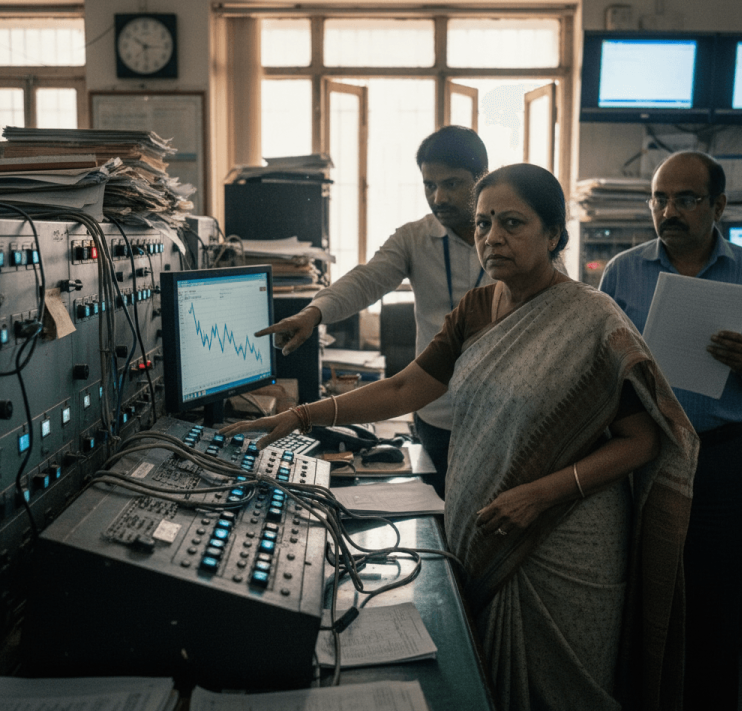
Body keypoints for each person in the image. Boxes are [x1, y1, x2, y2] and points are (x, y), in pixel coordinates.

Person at [224, 163, 698, 711]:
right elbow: (404, 388)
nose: (492, 237)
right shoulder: (476, 309)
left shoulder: (593, 320)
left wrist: (542, 493)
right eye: (482, 223)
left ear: (554, 235)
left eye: (512, 223)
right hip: (488, 526)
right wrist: (303, 417)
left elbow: (642, 441)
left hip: (566, 540)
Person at [599, 150, 742, 711]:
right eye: (660, 198)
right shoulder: (623, 271)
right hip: (641, 453)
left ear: (718, 206)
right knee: (640, 597)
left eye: (686, 199)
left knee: (715, 606)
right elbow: (594, 366)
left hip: (720, 459)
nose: (668, 210)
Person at [255, 125, 491, 498]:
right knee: (442, 527)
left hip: (498, 418)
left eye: (452, 184)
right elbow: (366, 280)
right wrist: (314, 313)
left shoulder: (510, 238)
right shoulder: (414, 237)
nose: (438, 197)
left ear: (483, 179)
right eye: (429, 185)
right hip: (435, 414)